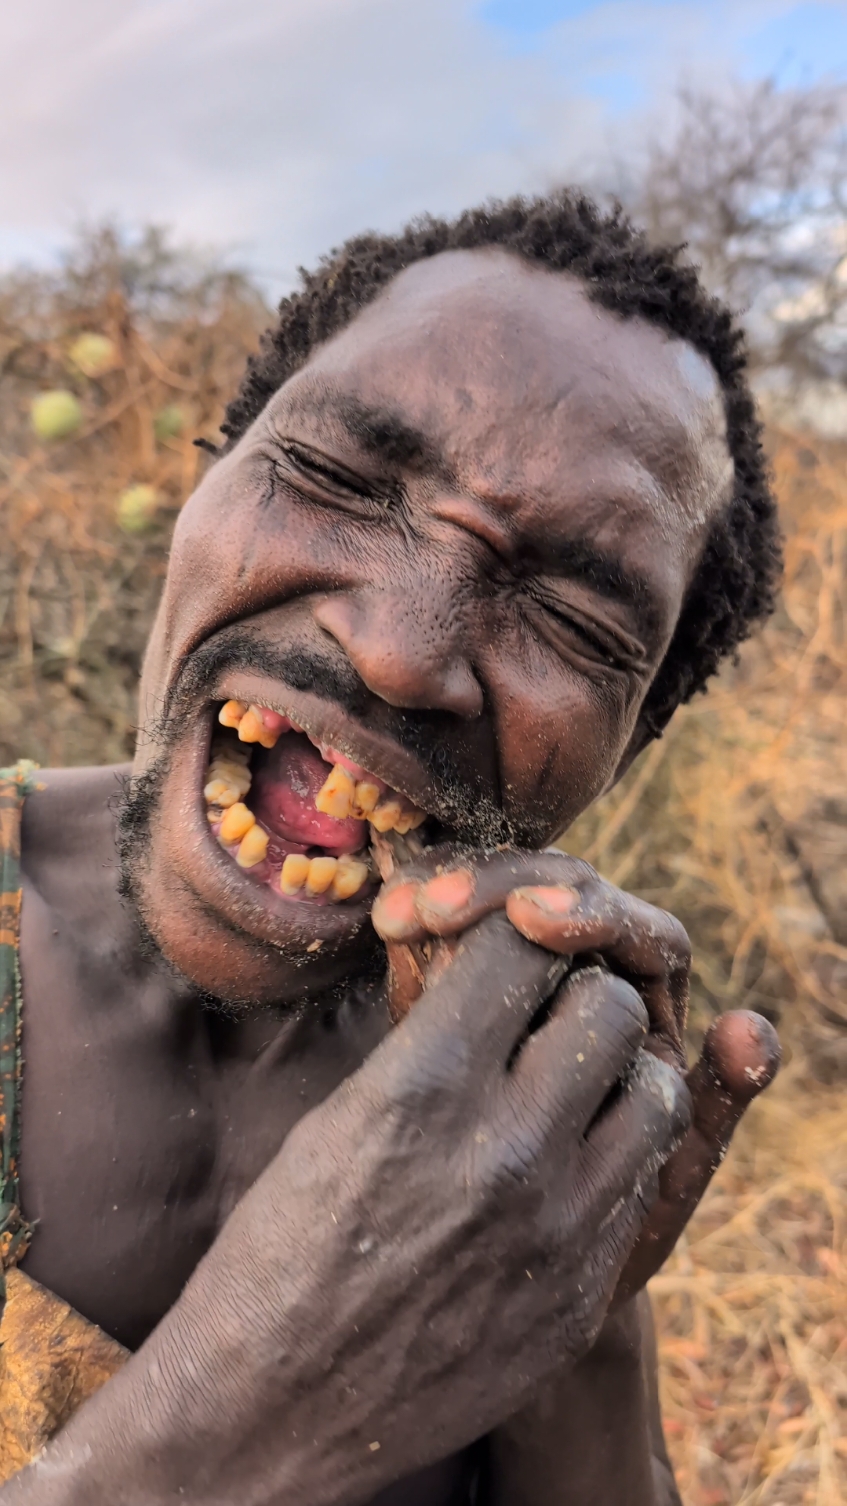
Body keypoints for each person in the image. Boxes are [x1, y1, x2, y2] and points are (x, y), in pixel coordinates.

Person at [1, 191, 781, 1505]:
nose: (399, 650)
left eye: (578, 623)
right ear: (209, 480)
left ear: (630, 746)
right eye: (336, 478)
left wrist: (578, 1324)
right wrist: (251, 1406)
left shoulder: (530, 1108)